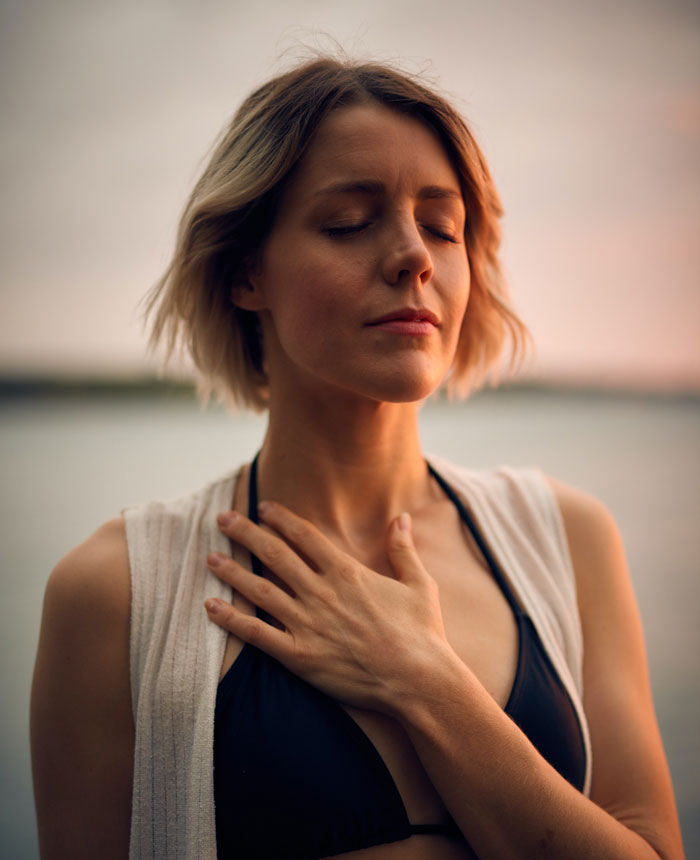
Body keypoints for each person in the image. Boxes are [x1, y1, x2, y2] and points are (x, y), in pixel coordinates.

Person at [30, 56, 684, 860]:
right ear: (245, 273)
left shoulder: (568, 540)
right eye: (348, 221)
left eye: (443, 227)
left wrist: (424, 680)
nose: (414, 256)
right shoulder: (115, 593)